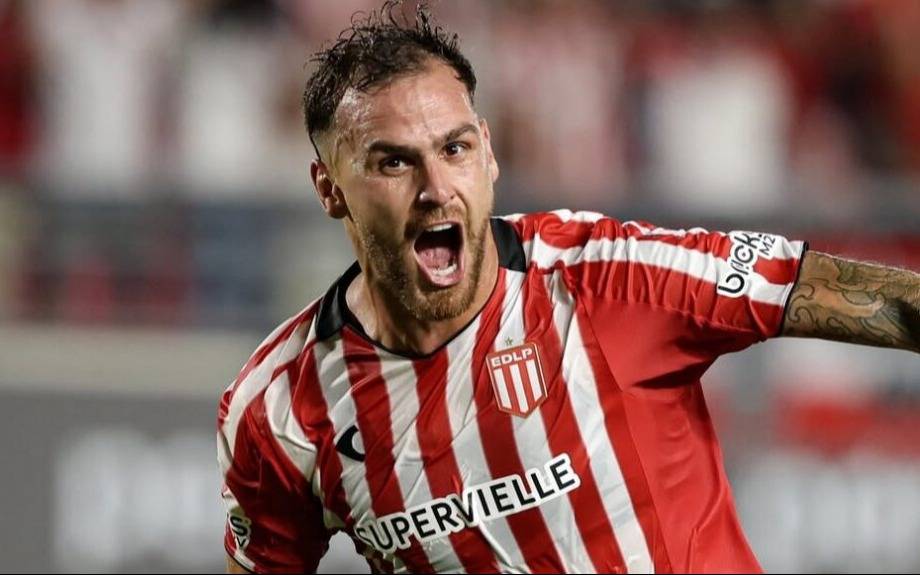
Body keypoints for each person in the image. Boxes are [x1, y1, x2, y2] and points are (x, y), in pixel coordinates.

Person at [217, 3, 920, 573]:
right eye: (393, 163)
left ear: (489, 153)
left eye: (455, 149)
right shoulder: (279, 408)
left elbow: (886, 300)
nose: (436, 189)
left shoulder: (608, 279)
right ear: (329, 188)